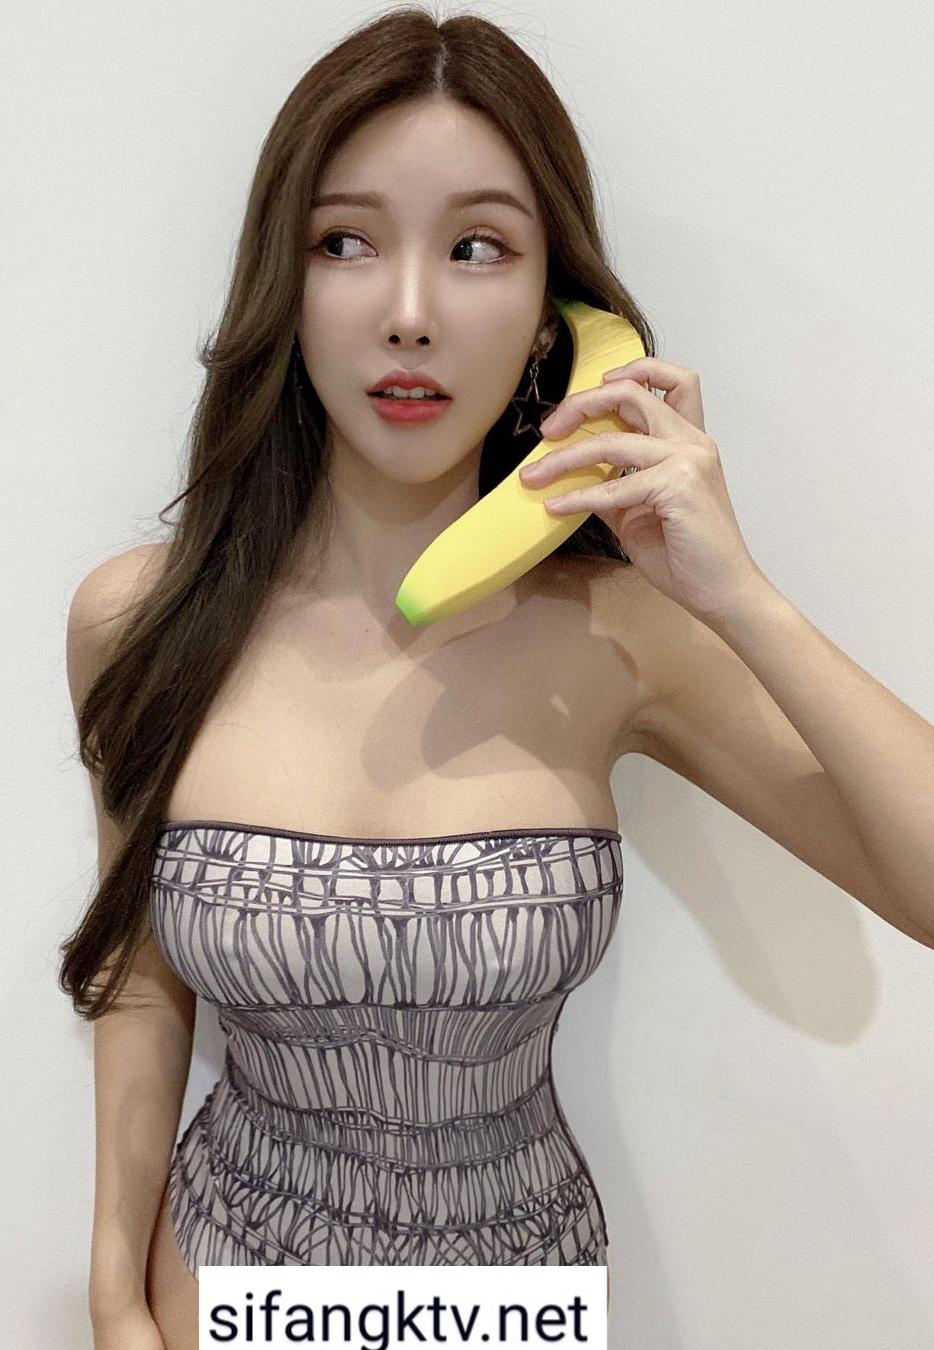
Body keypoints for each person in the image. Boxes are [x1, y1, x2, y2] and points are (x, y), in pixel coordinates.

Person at [60, 10, 934, 1350]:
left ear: (555, 322)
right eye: (344, 242)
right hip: (222, 1284)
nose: (409, 313)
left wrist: (741, 597)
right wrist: (114, 1292)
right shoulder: (143, 620)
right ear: (284, 285)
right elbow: (139, 969)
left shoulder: (626, 633)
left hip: (516, 1301)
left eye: (478, 247)